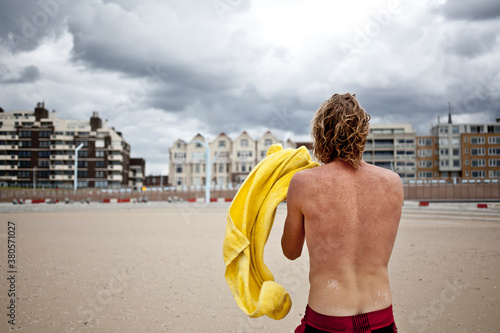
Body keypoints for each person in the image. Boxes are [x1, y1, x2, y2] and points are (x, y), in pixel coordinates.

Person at [281, 93, 403, 333]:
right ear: (362, 133)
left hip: (328, 320)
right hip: (381, 317)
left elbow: (291, 251)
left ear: (320, 134)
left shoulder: (303, 183)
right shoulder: (393, 183)